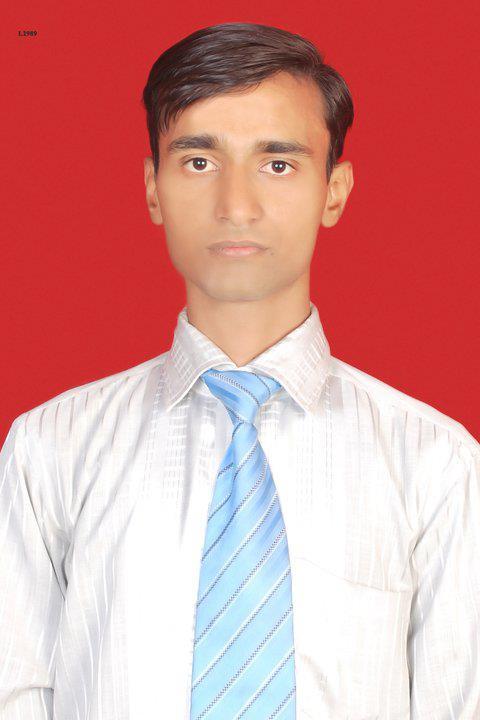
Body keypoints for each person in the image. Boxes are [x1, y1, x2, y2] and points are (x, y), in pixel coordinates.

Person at [0, 20, 478, 720]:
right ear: (153, 187)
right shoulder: (50, 451)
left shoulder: (434, 463)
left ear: (334, 190)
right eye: (199, 161)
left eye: (277, 164)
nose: (236, 206)